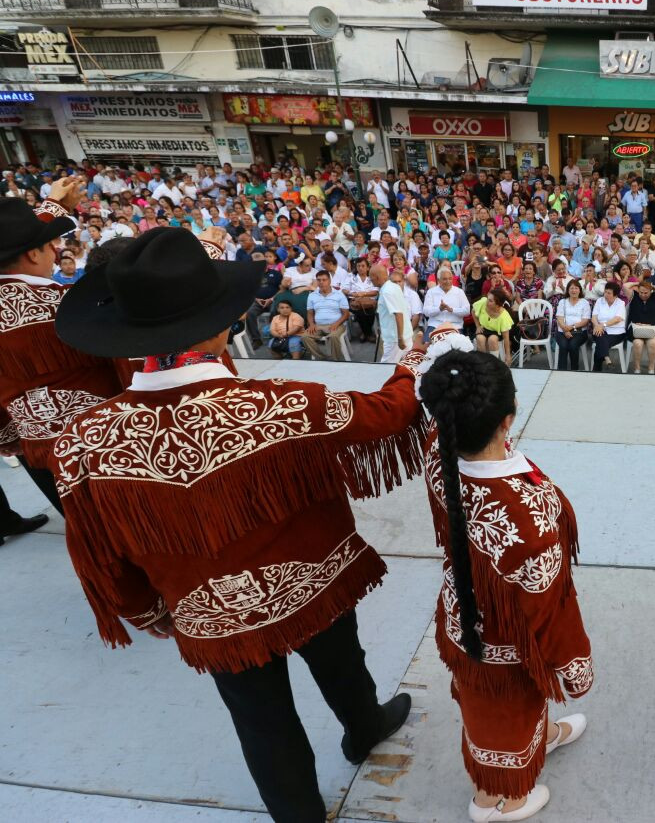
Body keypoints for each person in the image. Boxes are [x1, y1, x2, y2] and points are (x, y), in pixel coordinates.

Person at [52, 227, 428, 820]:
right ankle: (364, 729)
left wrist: (151, 611)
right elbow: (385, 415)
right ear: (220, 326)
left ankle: (298, 813)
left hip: (209, 610)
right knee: (342, 664)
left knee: (260, 721)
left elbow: (100, 553)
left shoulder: (82, 444)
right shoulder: (283, 403)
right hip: (313, 578)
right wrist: (410, 367)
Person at [420, 343, 592, 822]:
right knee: (505, 708)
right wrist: (575, 665)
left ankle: (541, 739)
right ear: (508, 419)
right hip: (510, 637)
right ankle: (501, 798)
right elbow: (549, 607)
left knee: (486, 701)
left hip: (463, 613)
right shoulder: (527, 518)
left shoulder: (441, 453)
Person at [0, 177, 134, 512]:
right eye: (50, 246)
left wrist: (8, 437)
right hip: (110, 442)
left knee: (85, 528)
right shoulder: (70, 305)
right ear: (34, 253)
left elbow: (17, 241)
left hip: (38, 450)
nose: (57, 250)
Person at [302, 269, 350, 361]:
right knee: (305, 337)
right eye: (319, 280)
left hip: (336, 325)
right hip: (318, 326)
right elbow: (310, 313)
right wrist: (311, 324)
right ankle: (322, 358)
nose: (321, 282)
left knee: (333, 336)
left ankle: (336, 360)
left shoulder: (339, 295)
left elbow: (346, 314)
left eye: (324, 280)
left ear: (329, 281)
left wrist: (336, 324)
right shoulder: (312, 295)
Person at [374, 263, 411, 363]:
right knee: (404, 366)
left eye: (371, 278)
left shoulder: (387, 291)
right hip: (400, 335)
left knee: (387, 369)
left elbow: (398, 314)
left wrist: (400, 338)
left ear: (377, 277)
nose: (370, 280)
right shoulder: (392, 287)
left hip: (395, 339)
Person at [627, 280, 655, 374]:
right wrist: (637, 284)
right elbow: (625, 286)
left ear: (651, 291)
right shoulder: (634, 296)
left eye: (646, 293)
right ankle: (637, 368)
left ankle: (651, 367)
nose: (643, 295)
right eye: (641, 292)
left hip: (651, 328)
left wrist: (653, 286)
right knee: (638, 343)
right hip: (635, 328)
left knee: (653, 343)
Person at [554, 279, 591, 371]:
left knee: (573, 345)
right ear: (568, 290)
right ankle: (562, 371)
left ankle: (574, 370)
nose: (574, 290)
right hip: (562, 331)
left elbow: (585, 320)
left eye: (576, 288)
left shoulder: (584, 303)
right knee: (563, 346)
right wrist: (565, 329)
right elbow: (559, 317)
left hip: (579, 332)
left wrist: (571, 327)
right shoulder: (563, 302)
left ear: (580, 290)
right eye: (571, 288)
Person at [590, 281, 628, 372]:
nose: (605, 294)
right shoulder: (600, 301)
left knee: (600, 339)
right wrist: (597, 326)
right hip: (599, 329)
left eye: (609, 293)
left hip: (616, 332)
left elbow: (617, 319)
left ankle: (596, 370)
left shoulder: (620, 303)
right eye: (605, 292)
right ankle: (607, 360)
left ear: (615, 295)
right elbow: (594, 317)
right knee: (600, 336)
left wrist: (602, 325)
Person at [472, 287, 515, 363]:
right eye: (488, 299)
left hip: (496, 332)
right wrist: (478, 326)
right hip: (484, 328)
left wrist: (508, 355)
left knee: (492, 340)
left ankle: (493, 363)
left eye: (491, 301)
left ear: (498, 305)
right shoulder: (483, 303)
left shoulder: (503, 316)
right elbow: (473, 311)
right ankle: (483, 363)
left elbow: (506, 338)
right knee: (480, 338)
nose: (487, 302)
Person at [424, 266, 469, 332]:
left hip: (454, 326)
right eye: (445, 279)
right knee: (427, 342)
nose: (448, 281)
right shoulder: (431, 292)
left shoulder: (459, 292)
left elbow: (467, 311)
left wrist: (451, 310)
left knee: (455, 342)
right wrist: (439, 309)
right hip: (435, 325)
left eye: (450, 279)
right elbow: (426, 311)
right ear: (439, 280)